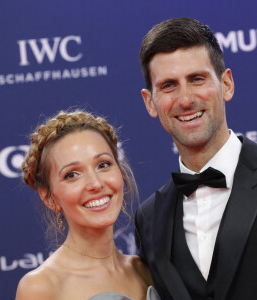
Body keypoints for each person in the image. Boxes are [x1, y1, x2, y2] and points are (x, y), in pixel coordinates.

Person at [135, 17, 257, 300]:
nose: (185, 99)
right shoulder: (148, 218)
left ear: (226, 84)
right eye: (168, 85)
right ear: (150, 102)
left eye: (197, 79)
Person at [16, 110, 160, 300]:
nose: (95, 184)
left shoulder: (146, 270)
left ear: (121, 173)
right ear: (50, 198)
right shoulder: (40, 287)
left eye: (103, 165)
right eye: (72, 174)